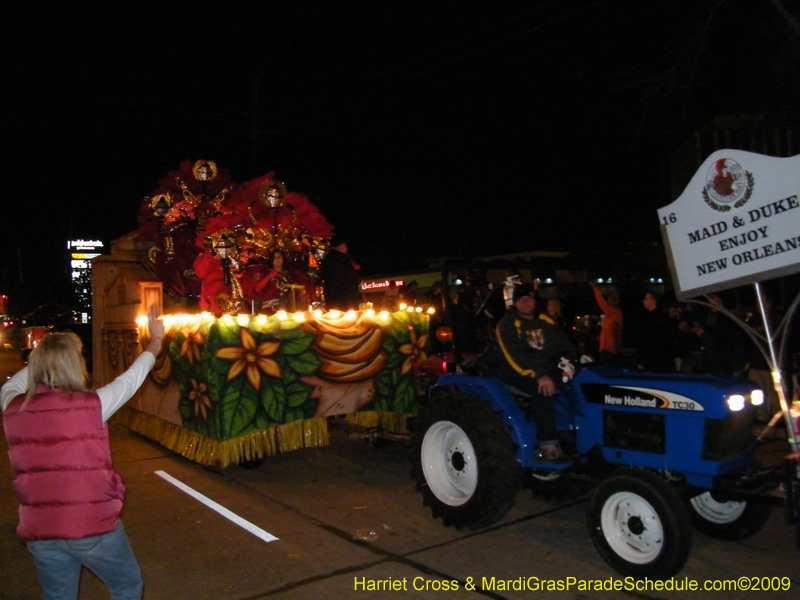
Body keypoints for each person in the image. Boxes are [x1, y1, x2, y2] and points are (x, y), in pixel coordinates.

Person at [1, 306, 165, 600]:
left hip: (40, 528)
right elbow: (133, 376)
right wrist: (155, 341)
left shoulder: (11, 405)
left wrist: (44, 359)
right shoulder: (93, 405)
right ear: (75, 365)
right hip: (91, 524)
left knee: (58, 596)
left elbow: (14, 384)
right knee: (127, 586)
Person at [492, 283, 577, 458]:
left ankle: (578, 434)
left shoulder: (546, 321)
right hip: (515, 372)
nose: (525, 302)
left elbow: (564, 346)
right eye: (521, 299)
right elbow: (514, 358)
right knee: (544, 390)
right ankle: (548, 444)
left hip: (545, 369)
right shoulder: (506, 324)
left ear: (534, 301)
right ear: (515, 303)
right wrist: (539, 375)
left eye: (529, 298)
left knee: (579, 383)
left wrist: (573, 360)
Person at [635, 292, 677, 373]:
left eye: (646, 299)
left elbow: (648, 341)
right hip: (660, 359)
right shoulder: (659, 317)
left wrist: (642, 360)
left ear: (653, 301)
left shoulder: (653, 319)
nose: (643, 301)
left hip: (654, 360)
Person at [320, 236, 362, 311]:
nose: (346, 248)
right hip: (345, 296)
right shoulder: (341, 258)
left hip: (332, 295)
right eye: (345, 245)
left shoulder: (328, 258)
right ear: (341, 245)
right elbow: (348, 272)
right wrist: (358, 280)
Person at [589, 282, 623, 365]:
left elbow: (601, 302)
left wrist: (596, 289)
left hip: (609, 349)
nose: (607, 301)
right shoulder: (616, 313)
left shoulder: (612, 311)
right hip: (611, 347)